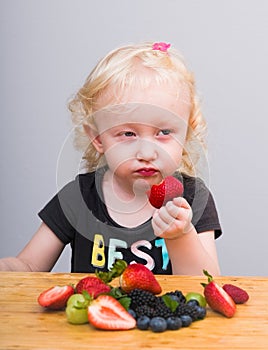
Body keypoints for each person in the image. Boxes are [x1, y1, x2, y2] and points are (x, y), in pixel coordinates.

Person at [0, 42, 222, 275]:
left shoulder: (193, 198)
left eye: (164, 133)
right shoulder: (78, 198)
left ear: (186, 134)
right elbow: (28, 266)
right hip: (94, 312)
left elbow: (206, 286)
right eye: (128, 134)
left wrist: (181, 235)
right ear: (98, 138)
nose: (147, 153)